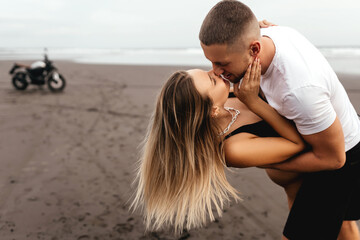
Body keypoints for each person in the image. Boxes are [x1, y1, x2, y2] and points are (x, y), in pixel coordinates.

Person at [199, 1, 360, 239]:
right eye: (211, 61)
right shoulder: (269, 34)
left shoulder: (299, 90)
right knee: (343, 226)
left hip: (341, 160)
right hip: (328, 136)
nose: (216, 71)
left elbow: (334, 159)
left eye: (222, 63)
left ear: (254, 50)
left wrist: (269, 162)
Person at [131, 59, 308, 235]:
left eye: (206, 72)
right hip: (305, 188)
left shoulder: (227, 98)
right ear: (213, 111)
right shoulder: (233, 149)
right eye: (212, 80)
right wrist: (254, 102)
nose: (215, 72)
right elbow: (297, 143)